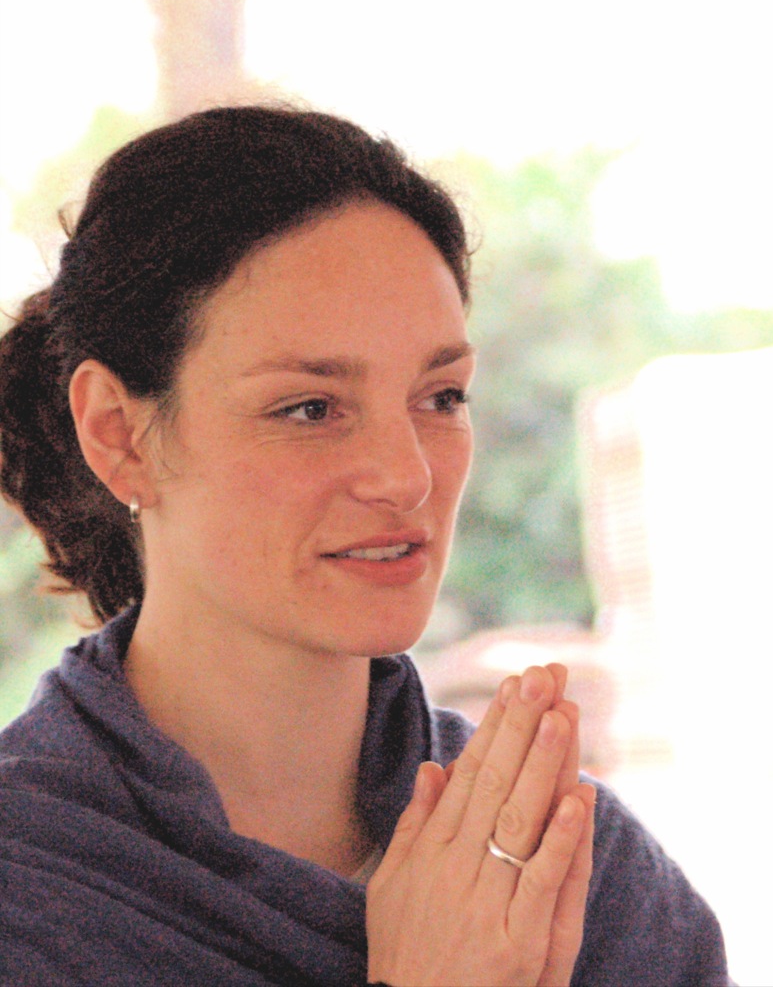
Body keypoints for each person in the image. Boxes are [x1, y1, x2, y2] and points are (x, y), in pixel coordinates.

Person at [0, 106, 728, 985]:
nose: (406, 474)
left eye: (442, 396)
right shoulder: (29, 896)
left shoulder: (583, 871)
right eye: (310, 408)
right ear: (117, 433)